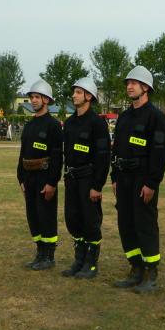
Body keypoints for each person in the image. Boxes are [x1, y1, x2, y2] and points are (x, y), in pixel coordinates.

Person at [110, 65, 165, 293]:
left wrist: (151, 183)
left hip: (142, 179)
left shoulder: (156, 117)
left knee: (145, 225)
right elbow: (116, 149)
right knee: (126, 224)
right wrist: (114, 177)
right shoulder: (124, 117)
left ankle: (151, 273)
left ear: (146, 88)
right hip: (123, 178)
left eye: (134, 83)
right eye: (128, 83)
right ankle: (135, 269)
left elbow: (159, 154)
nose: (129, 86)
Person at [61, 77, 110, 279]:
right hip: (71, 179)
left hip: (88, 180)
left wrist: (97, 186)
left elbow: (103, 156)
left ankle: (91, 263)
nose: (74, 95)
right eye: (74, 92)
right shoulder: (70, 123)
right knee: (73, 219)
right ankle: (79, 260)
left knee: (90, 221)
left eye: (78, 92)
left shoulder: (97, 123)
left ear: (89, 96)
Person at [17, 79, 63, 270]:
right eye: (32, 97)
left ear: (46, 100)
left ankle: (49, 257)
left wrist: (52, 182)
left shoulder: (53, 125)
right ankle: (40, 252)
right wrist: (20, 177)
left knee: (46, 216)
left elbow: (57, 157)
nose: (33, 100)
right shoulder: (29, 126)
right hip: (29, 178)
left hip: (45, 178)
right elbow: (23, 153)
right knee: (33, 216)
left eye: (37, 97)